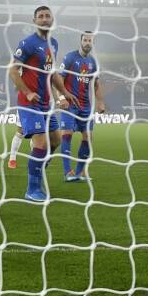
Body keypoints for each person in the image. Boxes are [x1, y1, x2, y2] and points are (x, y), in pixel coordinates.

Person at [9, 5, 66, 202]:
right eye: (40, 16)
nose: (44, 19)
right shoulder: (27, 43)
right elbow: (13, 71)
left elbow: (53, 73)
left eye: (47, 16)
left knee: (56, 140)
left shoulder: (54, 43)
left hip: (47, 103)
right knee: (40, 143)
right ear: (34, 21)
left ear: (52, 20)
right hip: (29, 102)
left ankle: (38, 170)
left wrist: (65, 93)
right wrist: (27, 92)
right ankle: (32, 189)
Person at [59, 31, 106, 182]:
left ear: (93, 43)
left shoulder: (93, 62)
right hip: (70, 104)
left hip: (86, 106)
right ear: (81, 41)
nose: (87, 43)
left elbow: (97, 84)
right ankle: (68, 173)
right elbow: (59, 77)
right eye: (85, 40)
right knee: (67, 134)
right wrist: (62, 97)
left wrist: (100, 102)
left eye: (90, 40)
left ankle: (79, 173)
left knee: (88, 137)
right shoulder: (70, 57)